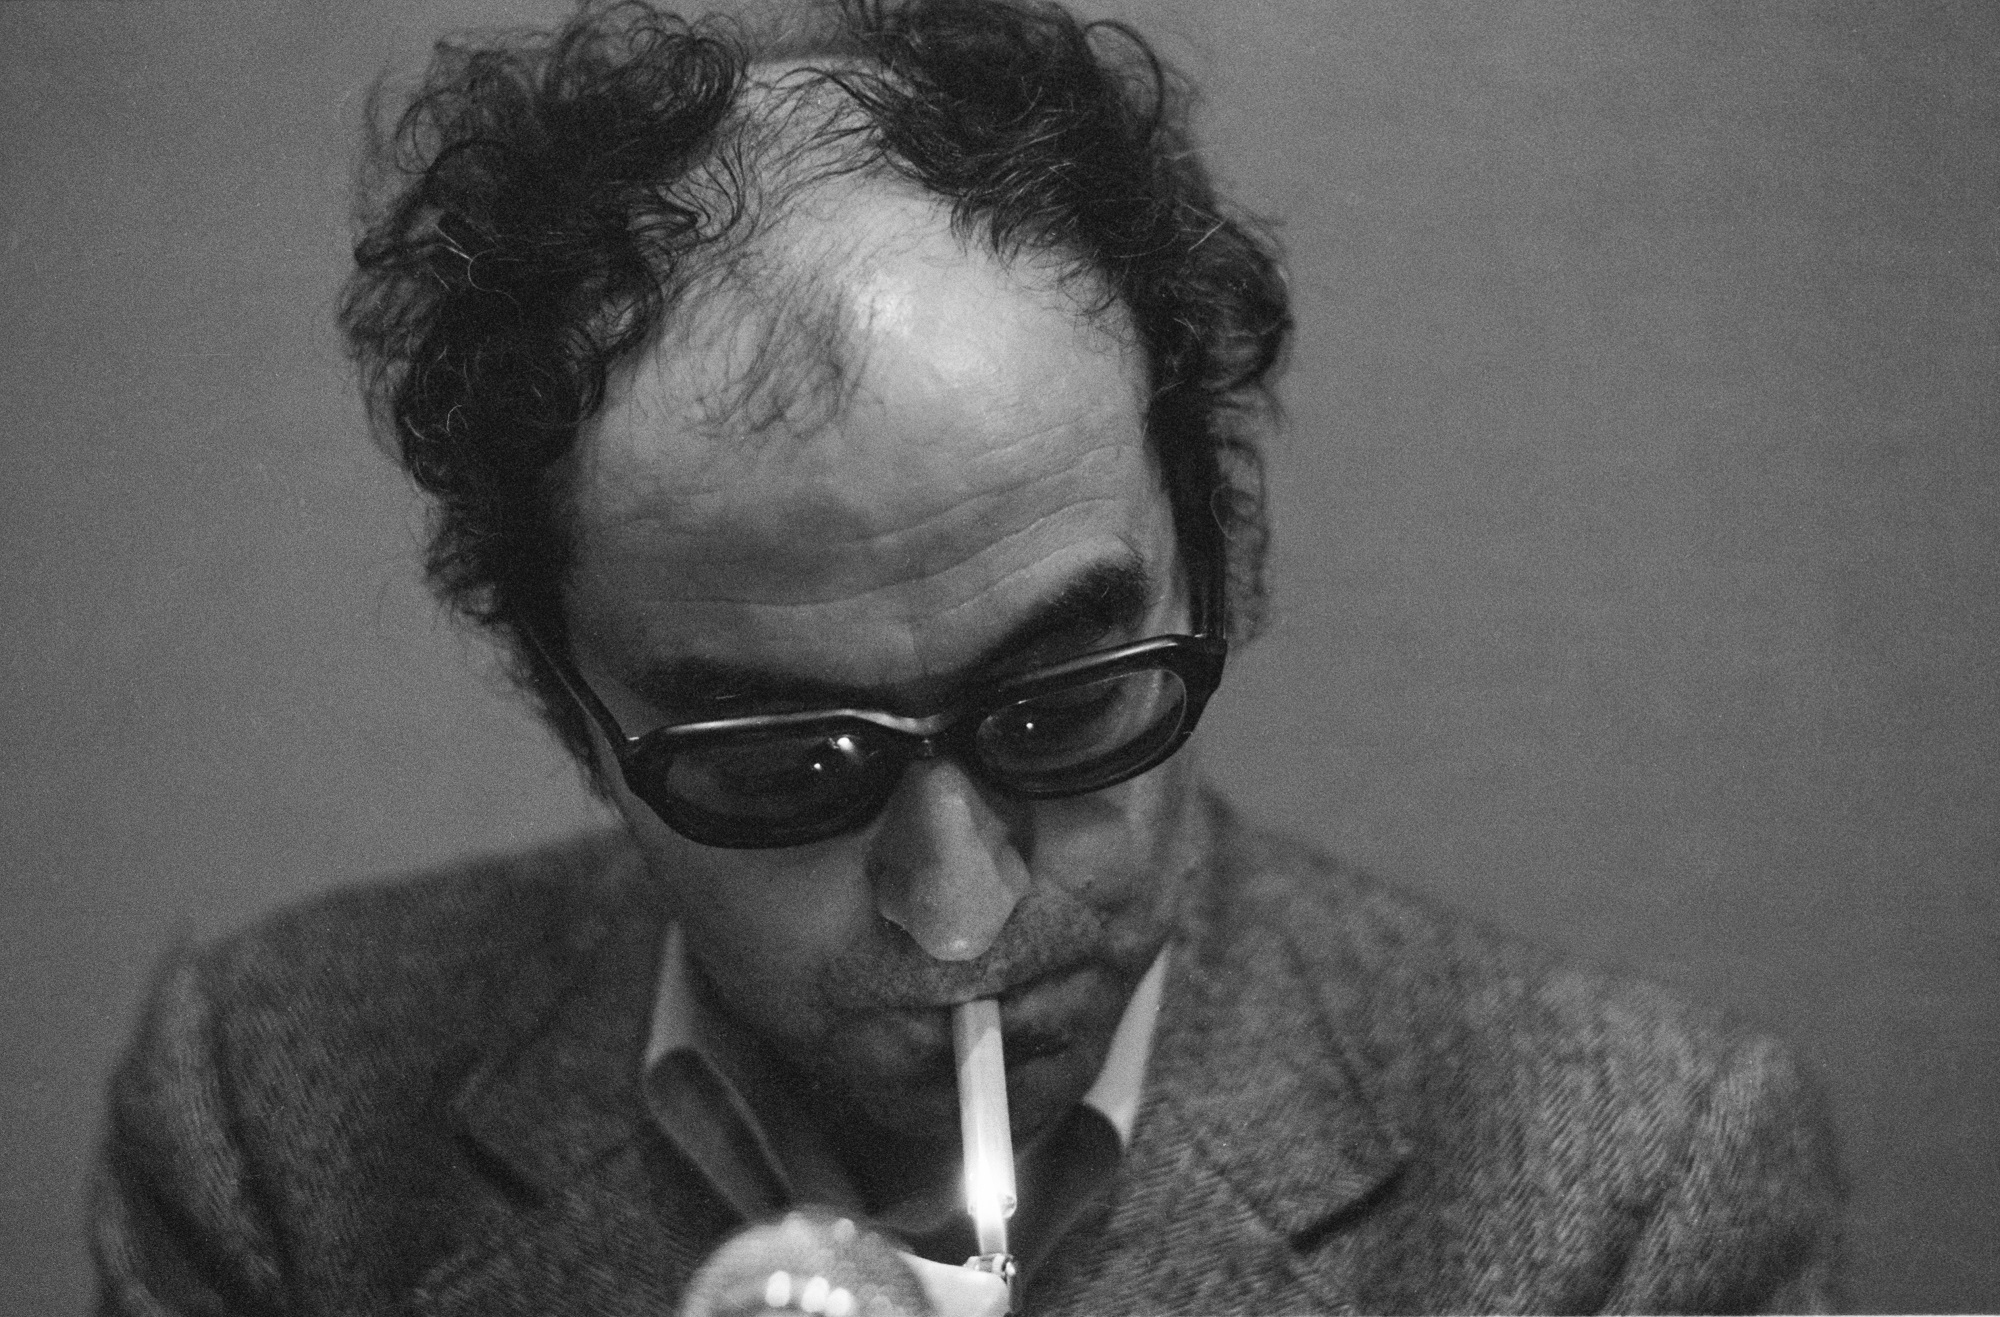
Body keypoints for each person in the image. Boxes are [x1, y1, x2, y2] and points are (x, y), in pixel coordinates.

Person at [91, 1, 1844, 1312]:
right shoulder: (280, 1117)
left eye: (1063, 710)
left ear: (1213, 564)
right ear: (575, 709)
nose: (958, 913)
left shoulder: (1626, 1192)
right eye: (788, 767)